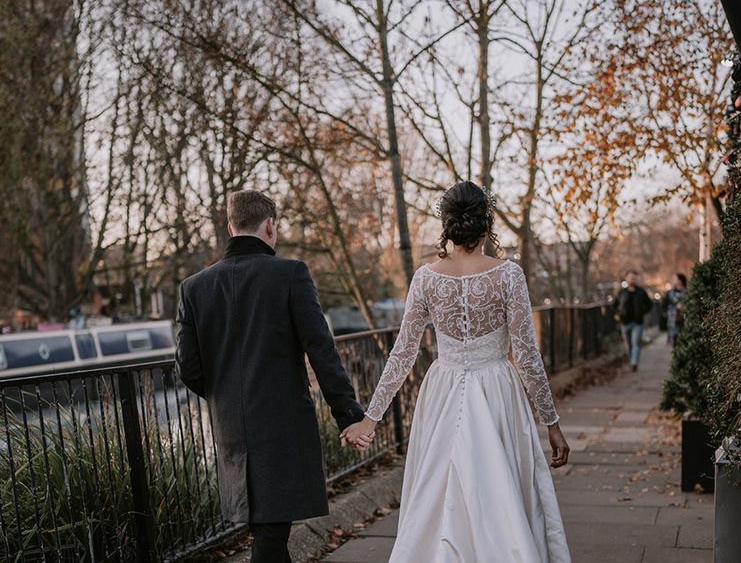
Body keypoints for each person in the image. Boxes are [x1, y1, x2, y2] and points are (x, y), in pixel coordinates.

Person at [342, 181, 571, 563]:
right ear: (486, 225)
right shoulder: (508, 275)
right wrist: (551, 422)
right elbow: (527, 356)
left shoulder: (426, 278)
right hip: (497, 390)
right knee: (500, 493)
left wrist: (371, 418)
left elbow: (403, 353)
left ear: (447, 224)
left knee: (441, 490)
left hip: (443, 391)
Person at [175, 190, 371, 563]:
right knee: (270, 535)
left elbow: (188, 367)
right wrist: (348, 414)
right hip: (282, 424)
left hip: (231, 426)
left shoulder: (194, 288)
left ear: (230, 227)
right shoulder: (290, 274)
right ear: (270, 225)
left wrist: (227, 396)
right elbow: (322, 351)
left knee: (268, 532)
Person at [614, 270, 652, 371]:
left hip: (637, 322)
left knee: (635, 343)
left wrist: (642, 312)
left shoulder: (641, 292)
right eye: (630, 277)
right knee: (629, 344)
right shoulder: (621, 292)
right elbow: (614, 305)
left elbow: (649, 305)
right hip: (625, 322)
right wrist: (618, 314)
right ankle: (631, 360)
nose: (632, 279)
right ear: (626, 278)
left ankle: (634, 362)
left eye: (634, 278)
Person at [662, 273, 687, 347]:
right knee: (674, 337)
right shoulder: (669, 293)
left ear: (680, 280)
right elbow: (664, 304)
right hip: (673, 318)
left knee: (684, 337)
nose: (673, 281)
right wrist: (666, 313)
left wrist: (684, 306)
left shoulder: (687, 291)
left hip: (684, 318)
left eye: (675, 279)